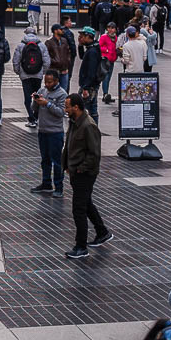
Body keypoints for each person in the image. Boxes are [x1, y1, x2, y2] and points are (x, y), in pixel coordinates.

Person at [63, 93, 111, 259]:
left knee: (79, 209)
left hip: (84, 173)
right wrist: (66, 165)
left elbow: (94, 153)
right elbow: (69, 144)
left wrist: (80, 169)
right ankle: (102, 231)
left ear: (76, 107)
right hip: (76, 170)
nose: (65, 109)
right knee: (86, 202)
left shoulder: (88, 125)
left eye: (67, 106)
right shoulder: (75, 122)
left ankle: (81, 246)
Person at [31, 68, 67, 196]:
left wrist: (47, 103)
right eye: (46, 81)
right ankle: (46, 183)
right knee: (45, 159)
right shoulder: (42, 91)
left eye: (50, 82)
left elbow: (61, 112)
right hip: (43, 130)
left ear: (56, 81)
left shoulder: (62, 94)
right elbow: (34, 109)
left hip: (55, 132)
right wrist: (35, 101)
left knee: (57, 161)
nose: (47, 84)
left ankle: (58, 187)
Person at [15, 28, 48, 129]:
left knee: (27, 98)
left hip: (25, 76)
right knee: (37, 97)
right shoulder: (41, 45)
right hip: (37, 75)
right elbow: (47, 61)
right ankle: (36, 116)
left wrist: (19, 72)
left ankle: (31, 118)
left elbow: (16, 60)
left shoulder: (21, 45)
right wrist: (43, 72)